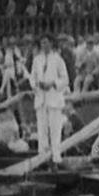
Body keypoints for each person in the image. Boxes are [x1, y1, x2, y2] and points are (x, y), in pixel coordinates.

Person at [30, 34, 69, 171]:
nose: (43, 45)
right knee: (42, 131)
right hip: (41, 99)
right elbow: (32, 78)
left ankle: (55, 160)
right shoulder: (37, 60)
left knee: (55, 131)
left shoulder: (58, 60)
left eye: (46, 43)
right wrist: (37, 85)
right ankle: (42, 159)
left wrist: (53, 83)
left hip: (54, 99)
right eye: (42, 43)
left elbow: (65, 79)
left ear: (51, 44)